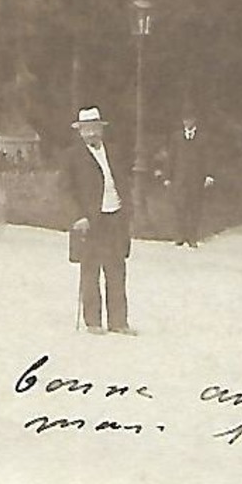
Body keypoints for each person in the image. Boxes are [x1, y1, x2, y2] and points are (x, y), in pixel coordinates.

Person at [61, 106, 137, 336]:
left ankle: (118, 322)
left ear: (101, 130)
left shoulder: (113, 152)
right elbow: (64, 190)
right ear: (80, 132)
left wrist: (128, 208)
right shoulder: (72, 156)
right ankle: (92, 321)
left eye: (94, 129)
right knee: (90, 268)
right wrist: (77, 216)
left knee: (116, 269)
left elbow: (122, 181)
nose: (91, 134)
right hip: (90, 221)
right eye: (86, 130)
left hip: (115, 215)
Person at [162, 110, 215, 248]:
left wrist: (209, 175)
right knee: (180, 207)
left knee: (194, 208)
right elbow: (171, 158)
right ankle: (180, 236)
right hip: (180, 179)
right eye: (185, 120)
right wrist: (168, 176)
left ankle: (192, 237)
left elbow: (208, 158)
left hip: (196, 179)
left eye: (190, 119)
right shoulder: (176, 137)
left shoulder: (203, 138)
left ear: (194, 120)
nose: (187, 122)